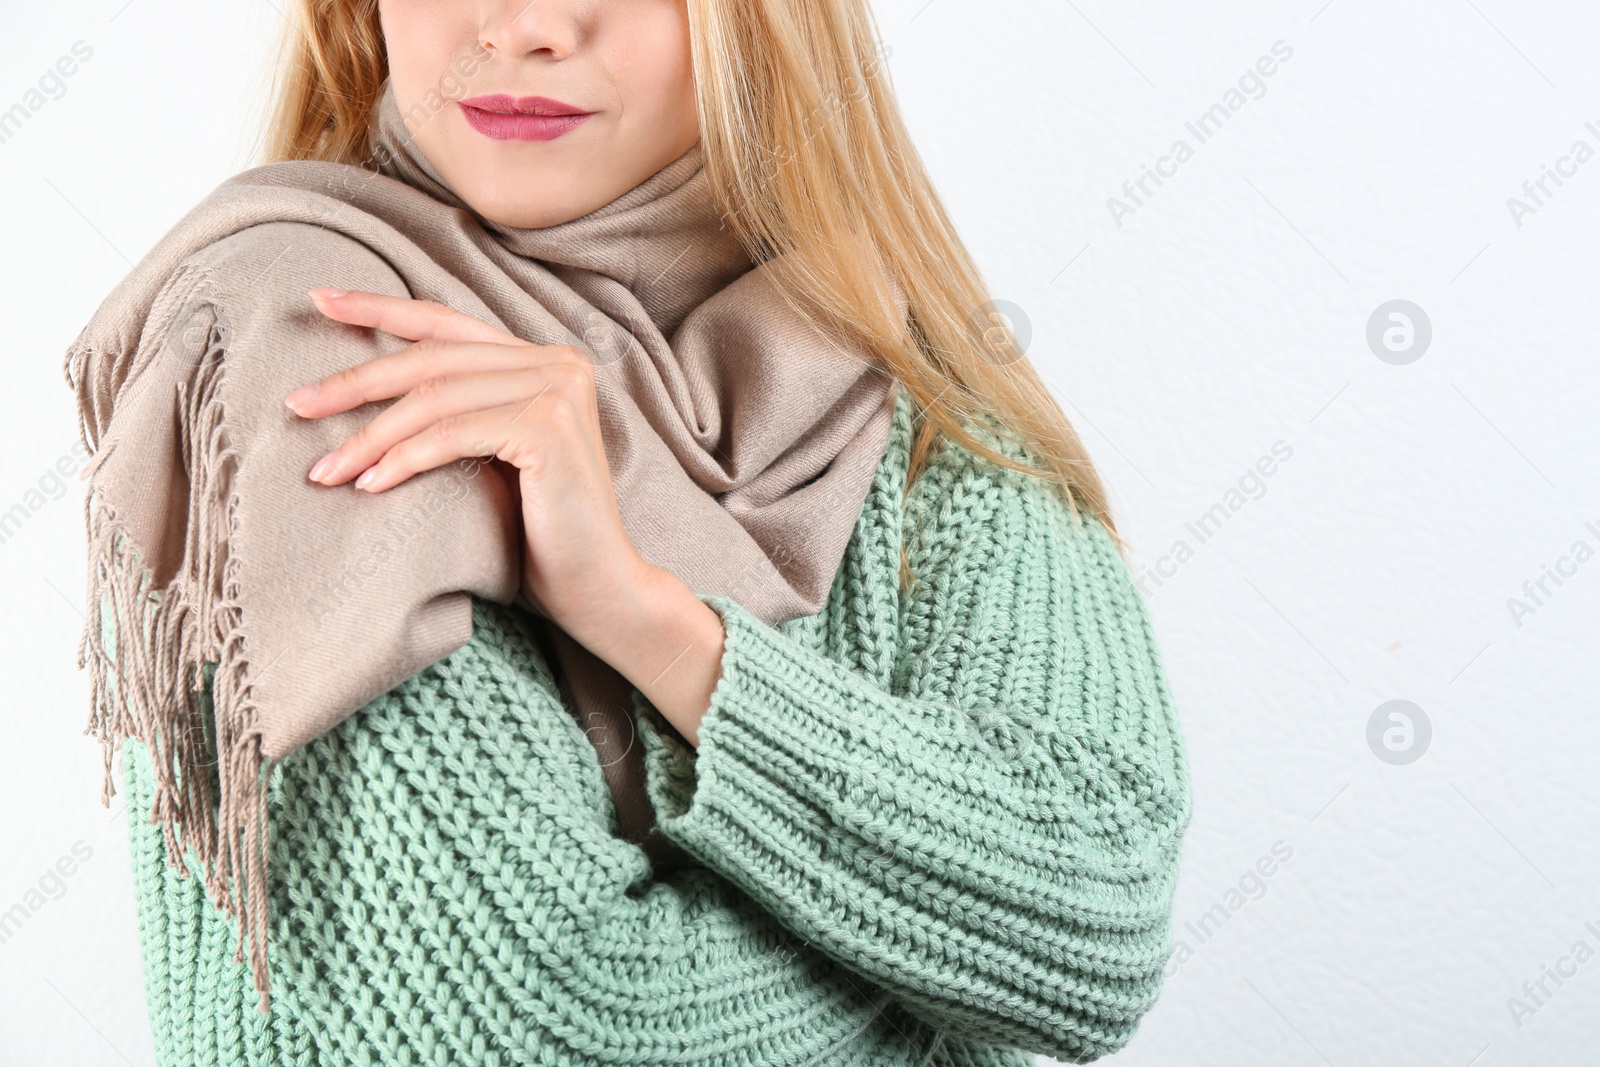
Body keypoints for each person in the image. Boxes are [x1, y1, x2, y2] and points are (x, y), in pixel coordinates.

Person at [110, 1, 1194, 1063]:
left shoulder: (910, 397)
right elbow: (537, 1025)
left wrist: (650, 622)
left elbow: (1101, 909)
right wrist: (953, 978)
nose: (526, 25)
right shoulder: (304, 340)